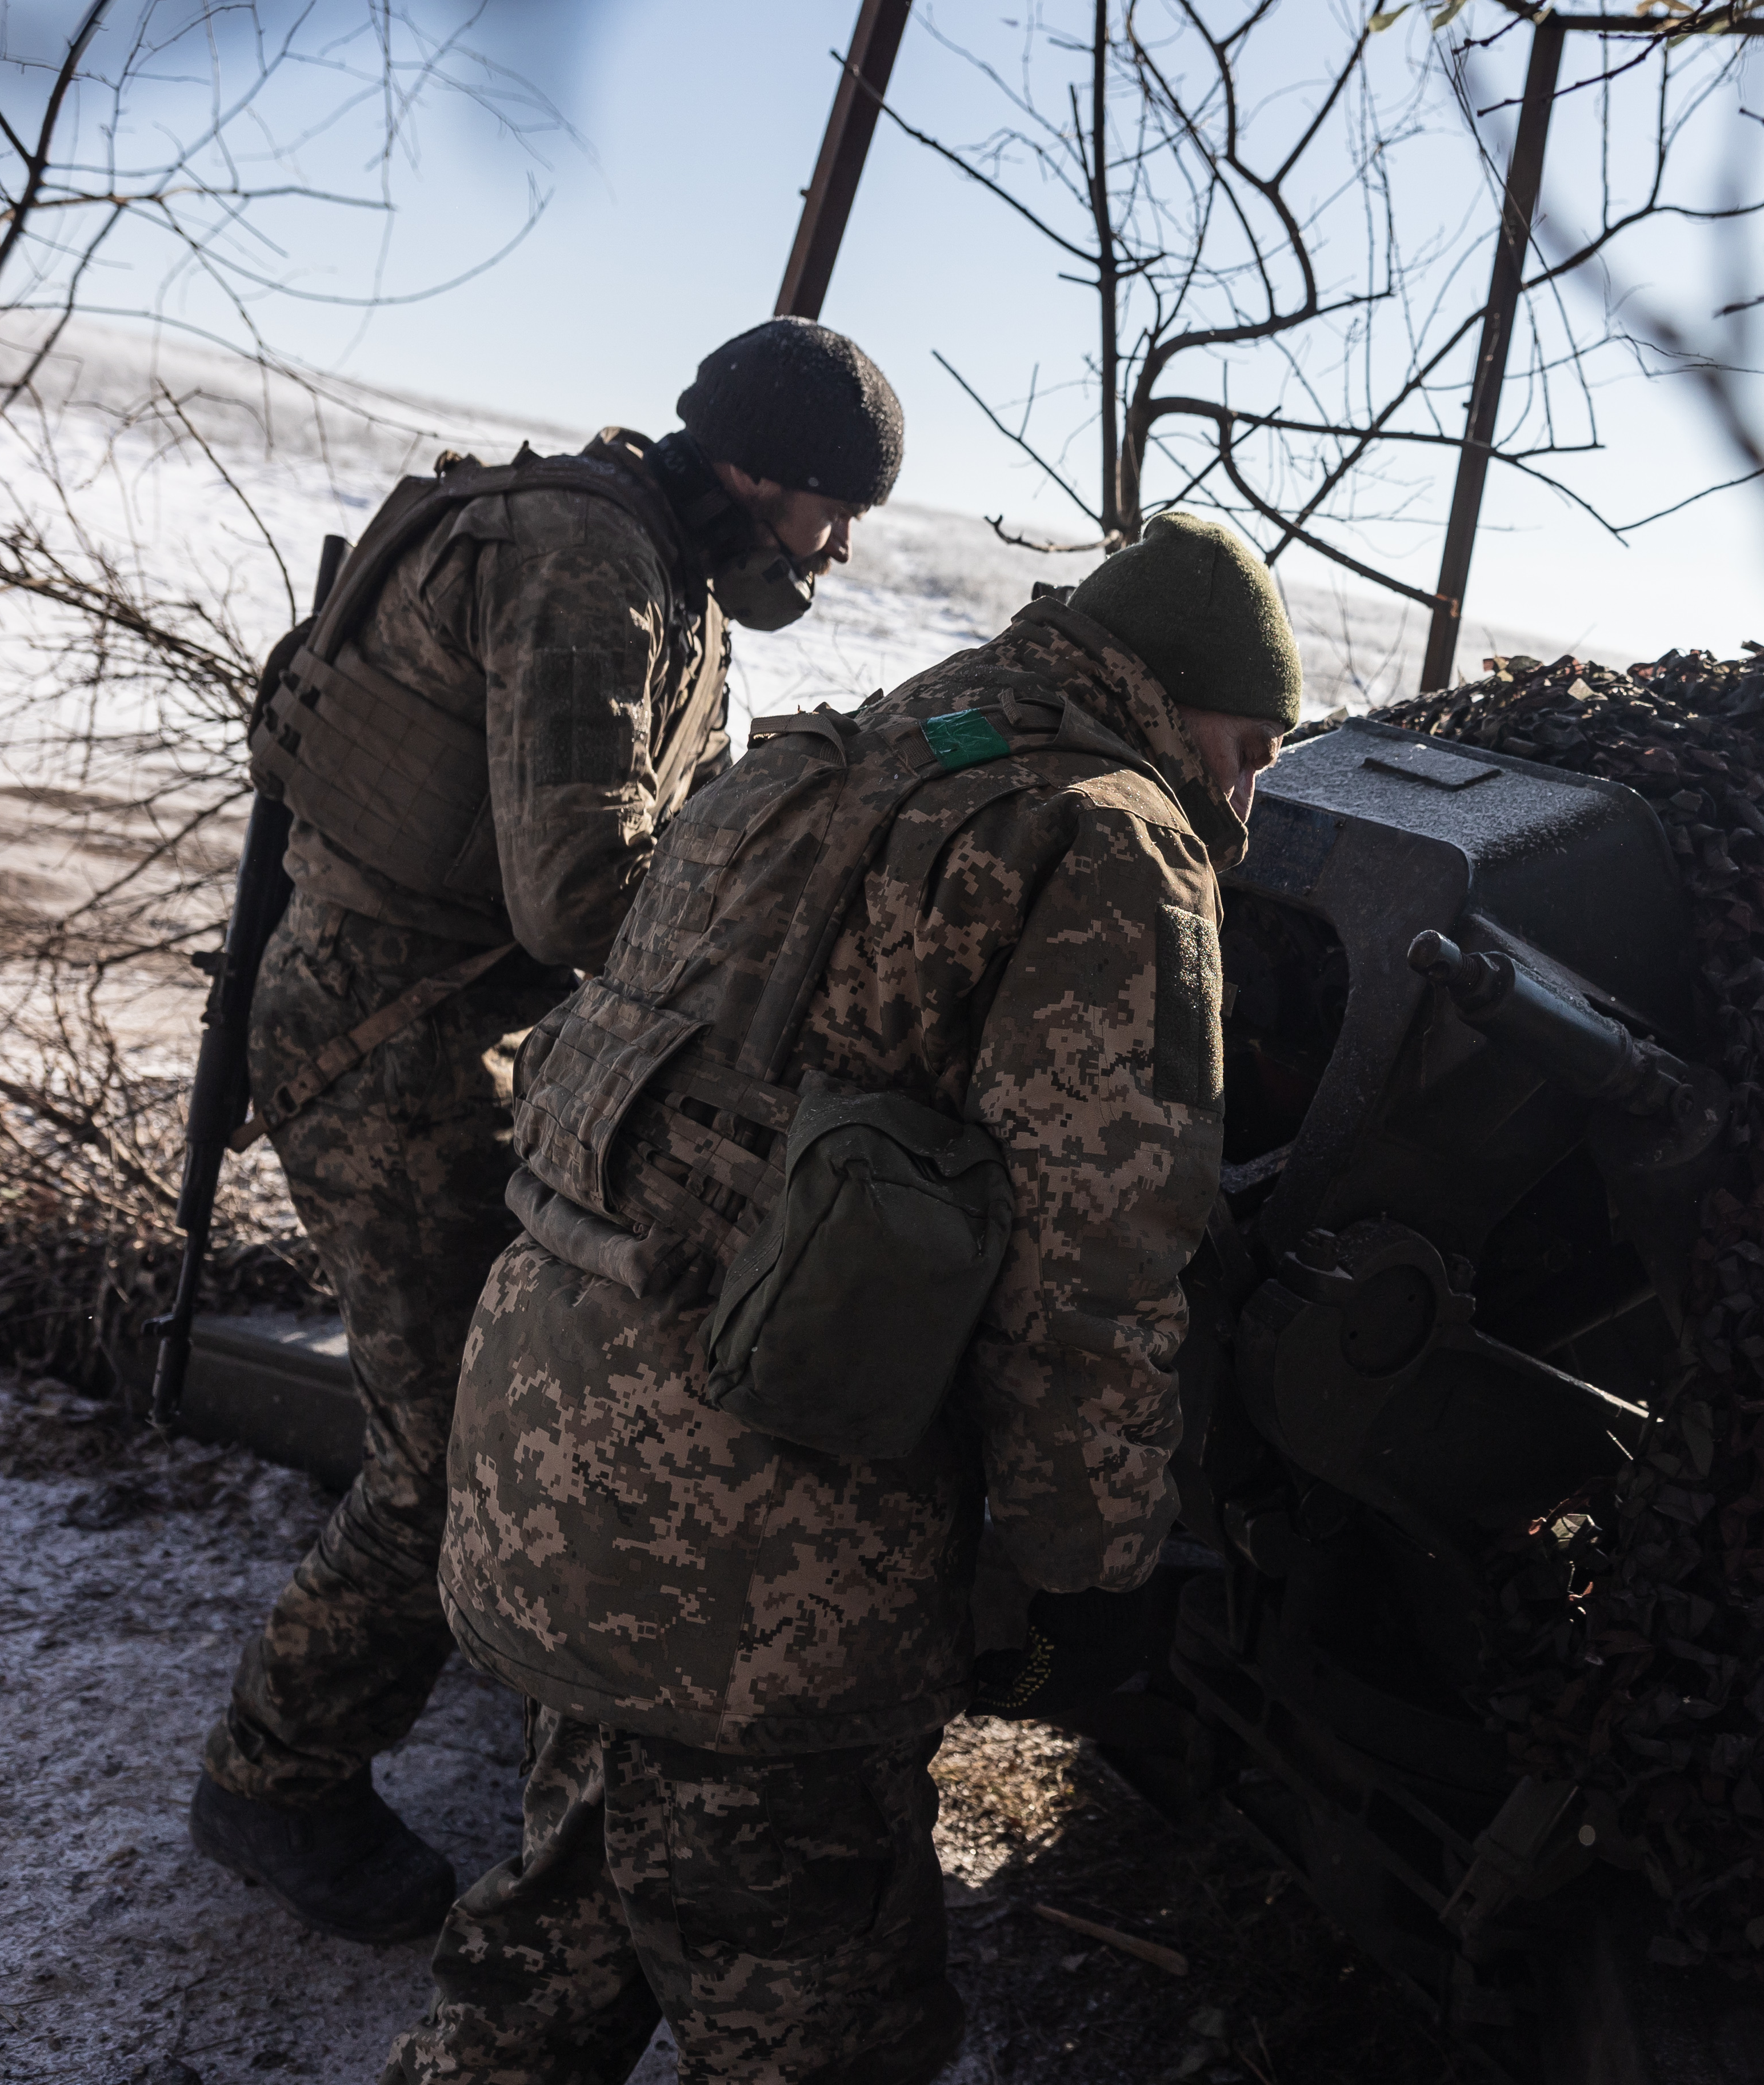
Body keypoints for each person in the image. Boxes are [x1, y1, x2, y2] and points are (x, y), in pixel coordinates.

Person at [378, 511, 1294, 2083]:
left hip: (551, 1451)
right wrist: (1093, 1564)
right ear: (1181, 697)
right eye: (1249, 746)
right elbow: (1094, 1269)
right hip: (760, 1567)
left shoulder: (863, 746)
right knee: (826, 2019)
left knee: (557, 1940)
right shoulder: (1109, 836)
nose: (1246, 790)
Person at [190, 318, 907, 1944]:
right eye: (832, 509)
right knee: (449, 1448)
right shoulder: (589, 562)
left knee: (544, 1405)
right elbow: (587, 888)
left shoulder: (660, 573)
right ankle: (273, 1774)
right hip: (391, 1043)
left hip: (468, 1037)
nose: (839, 546)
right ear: (765, 476)